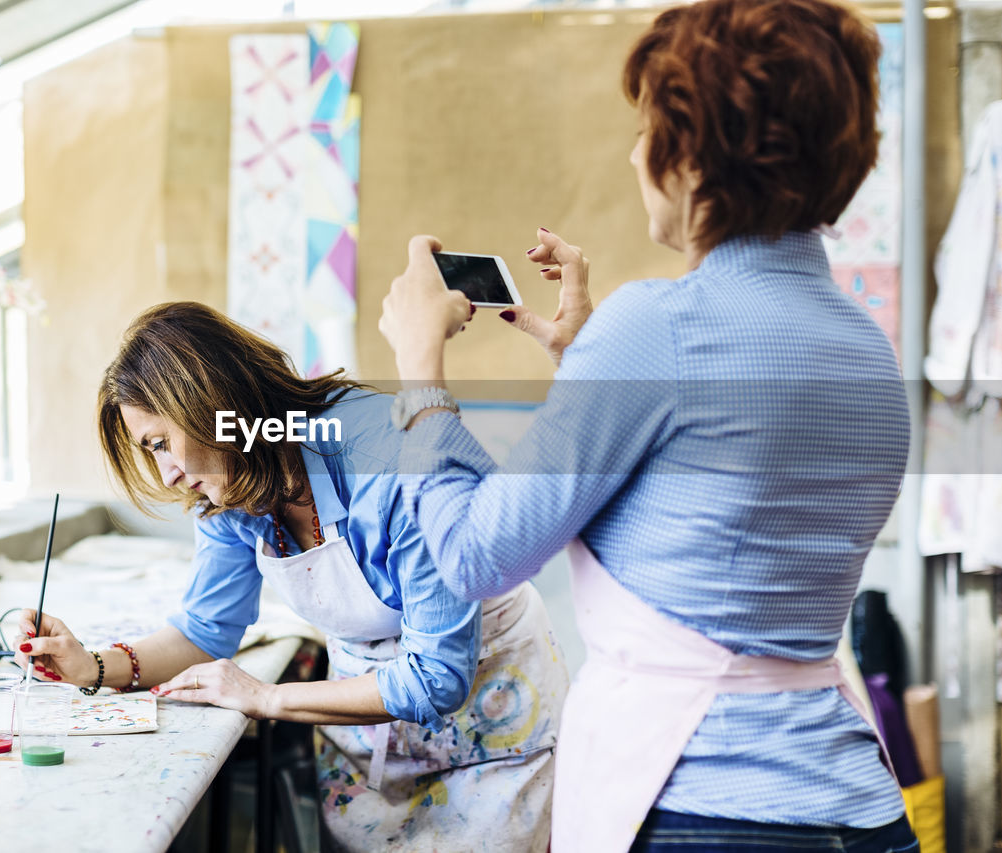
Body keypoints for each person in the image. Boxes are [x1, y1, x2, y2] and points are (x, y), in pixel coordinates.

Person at [377, 0, 920, 850]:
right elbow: (718, 508)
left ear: (695, 157)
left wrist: (418, 368)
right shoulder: (869, 352)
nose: (635, 156)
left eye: (648, 130)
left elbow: (475, 555)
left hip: (703, 811)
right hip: (862, 807)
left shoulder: (658, 326)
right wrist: (590, 362)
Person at [15, 302, 567, 852]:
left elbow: (435, 677)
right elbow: (205, 632)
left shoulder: (388, 456)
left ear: (212, 405)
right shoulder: (229, 486)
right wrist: (91, 666)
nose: (169, 474)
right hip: (370, 737)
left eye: (161, 443)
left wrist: (266, 697)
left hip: (492, 721)